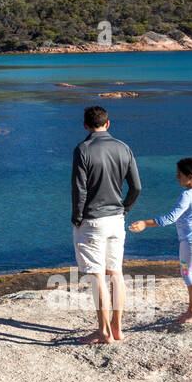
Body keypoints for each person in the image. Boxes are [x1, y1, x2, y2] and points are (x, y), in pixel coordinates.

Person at [71, 105, 141, 345]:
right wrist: (125, 208)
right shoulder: (124, 148)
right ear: (108, 124)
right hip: (116, 220)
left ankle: (103, 332)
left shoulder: (83, 149)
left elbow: (79, 189)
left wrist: (77, 217)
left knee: (98, 276)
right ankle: (117, 328)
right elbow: (136, 187)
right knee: (116, 273)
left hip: (92, 220)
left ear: (85, 125)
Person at [130, 158, 192, 324]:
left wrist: (146, 223)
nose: (177, 178)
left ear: (190, 176)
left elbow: (171, 218)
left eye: (179, 174)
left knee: (189, 275)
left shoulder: (187, 195)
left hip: (191, 240)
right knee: (187, 273)